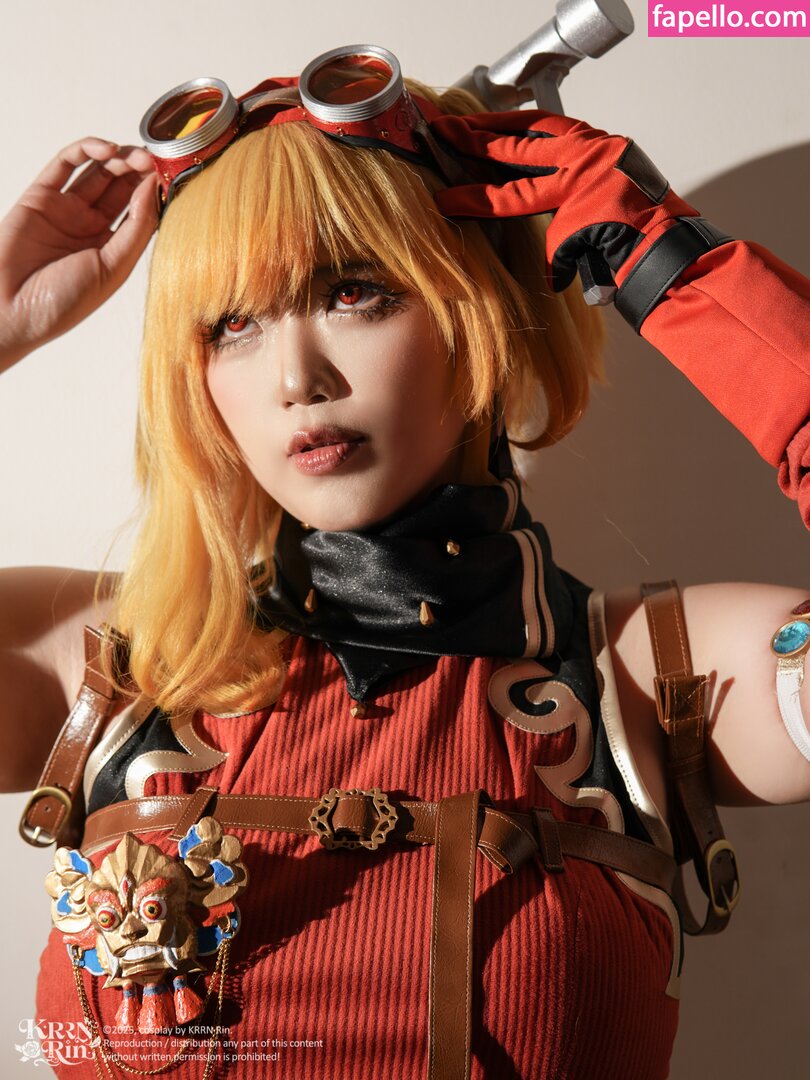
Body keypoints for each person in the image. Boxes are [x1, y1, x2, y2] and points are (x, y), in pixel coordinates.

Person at [1, 51, 810, 1080]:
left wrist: (673, 264)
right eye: (234, 324)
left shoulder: (660, 674)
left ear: (476, 308)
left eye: (356, 292)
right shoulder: (110, 670)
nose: (296, 377)